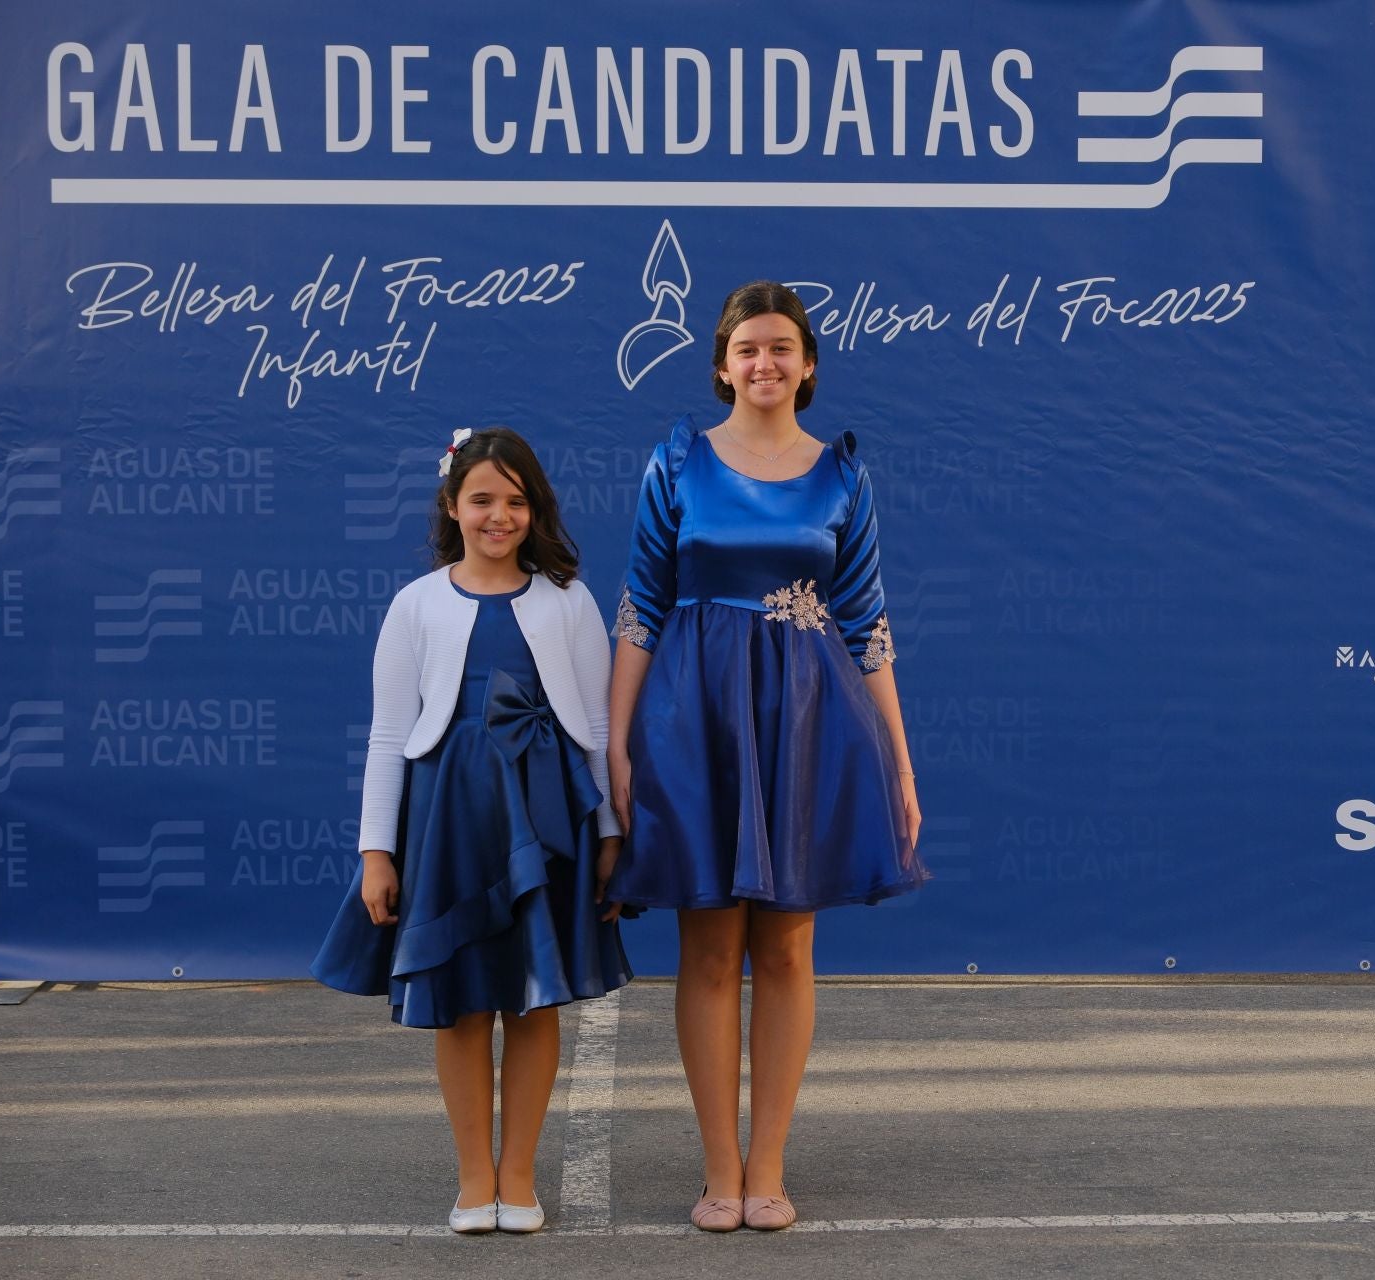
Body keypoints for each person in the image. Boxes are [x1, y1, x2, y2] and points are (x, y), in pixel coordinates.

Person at [606, 281, 926, 1232]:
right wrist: (616, 745)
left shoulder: (843, 478)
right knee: (707, 945)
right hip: (694, 720)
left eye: (782, 347)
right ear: (721, 363)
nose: (765, 363)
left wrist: (901, 766)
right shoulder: (677, 463)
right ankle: (718, 1171)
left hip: (806, 723)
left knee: (786, 945)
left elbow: (868, 626)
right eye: (748, 348)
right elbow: (639, 607)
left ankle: (769, 1168)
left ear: (808, 364)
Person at [312, 426, 630, 1235]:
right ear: (452, 505)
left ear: (537, 509)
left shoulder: (569, 600)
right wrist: (375, 852)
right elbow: (390, 734)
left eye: (517, 501)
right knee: (457, 1004)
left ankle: (519, 1176)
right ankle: (473, 1177)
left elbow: (595, 724)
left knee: (533, 1000)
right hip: (446, 824)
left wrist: (610, 835)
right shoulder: (414, 605)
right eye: (483, 499)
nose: (500, 516)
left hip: (549, 820)